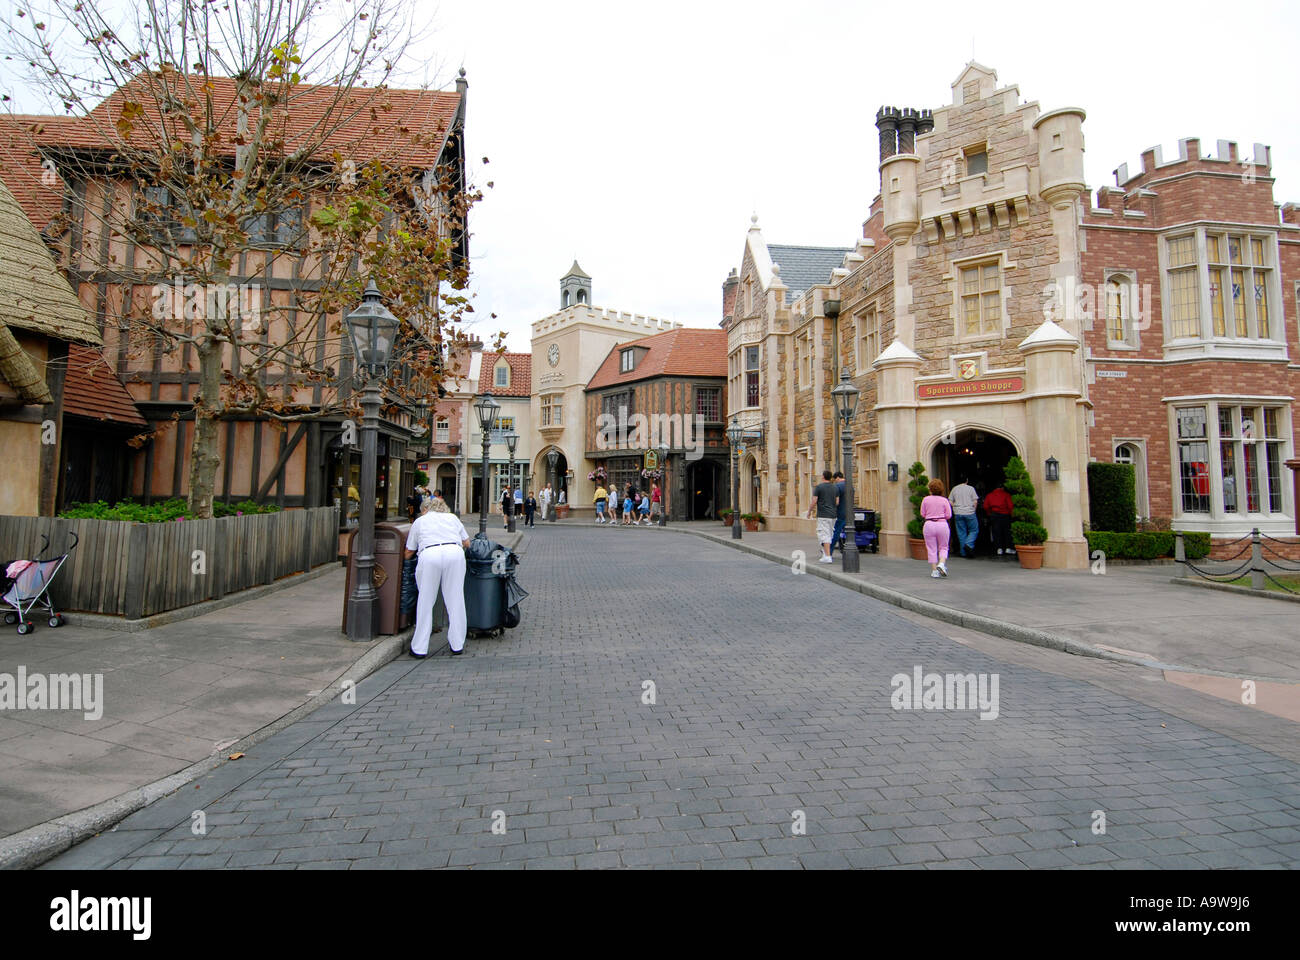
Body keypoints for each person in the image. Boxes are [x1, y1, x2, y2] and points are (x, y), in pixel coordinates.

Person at [403, 498, 471, 657]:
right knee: (455, 599)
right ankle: (457, 645)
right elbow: (467, 543)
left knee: (425, 601)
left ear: (425, 509)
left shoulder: (420, 521)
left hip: (430, 554)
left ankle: (419, 648)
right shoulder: (452, 518)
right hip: (454, 553)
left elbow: (409, 551)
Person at [921, 478, 953, 578]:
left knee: (931, 548)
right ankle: (942, 563)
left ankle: (934, 571)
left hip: (929, 524)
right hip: (942, 524)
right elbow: (949, 515)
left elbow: (923, 513)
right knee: (943, 546)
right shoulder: (944, 500)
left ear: (930, 489)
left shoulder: (925, 499)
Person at [806, 470, 839, 563]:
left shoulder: (819, 487)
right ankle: (825, 554)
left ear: (823, 477)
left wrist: (809, 511)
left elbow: (814, 501)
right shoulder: (835, 488)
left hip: (823, 514)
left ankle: (828, 556)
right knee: (829, 533)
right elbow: (837, 502)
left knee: (824, 534)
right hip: (833, 515)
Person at [949, 477, 980, 557]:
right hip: (969, 512)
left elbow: (950, 500)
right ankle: (968, 544)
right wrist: (974, 510)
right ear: (967, 480)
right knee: (974, 530)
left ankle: (963, 552)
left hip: (958, 512)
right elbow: (975, 501)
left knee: (961, 532)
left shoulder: (954, 489)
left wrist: (955, 507)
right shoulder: (971, 488)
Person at [984, 482, 1014, 556]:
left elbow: (985, 506)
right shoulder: (1006, 495)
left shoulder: (990, 495)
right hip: (1005, 515)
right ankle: (1008, 548)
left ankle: (999, 548)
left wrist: (989, 513)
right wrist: (1011, 514)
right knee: (1007, 532)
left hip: (994, 515)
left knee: (996, 532)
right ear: (1002, 488)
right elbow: (1010, 506)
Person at [829, 471, 847, 556]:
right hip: (849, 513)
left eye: (835, 479)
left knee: (836, 532)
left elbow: (836, 501)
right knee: (848, 532)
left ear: (837, 478)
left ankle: (829, 550)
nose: (835, 481)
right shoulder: (850, 485)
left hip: (840, 512)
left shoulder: (837, 486)